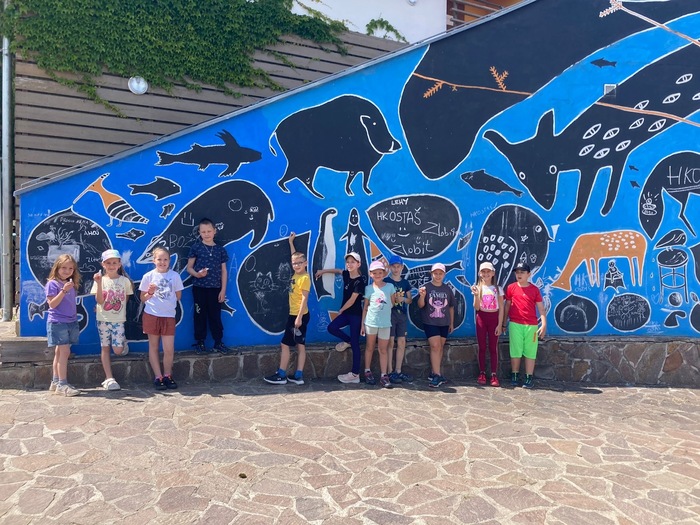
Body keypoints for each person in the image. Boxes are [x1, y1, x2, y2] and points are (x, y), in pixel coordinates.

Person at [264, 233, 310, 385]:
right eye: (294, 263)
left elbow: (304, 298)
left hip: (297, 316)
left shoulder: (304, 278)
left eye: (299, 263)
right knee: (300, 345)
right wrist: (291, 243)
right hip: (297, 315)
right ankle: (298, 376)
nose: (296, 265)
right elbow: (294, 256)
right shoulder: (297, 274)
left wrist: (299, 318)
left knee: (285, 344)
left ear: (305, 263)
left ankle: (281, 374)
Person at [315, 252, 367, 384]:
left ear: (358, 264)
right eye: (348, 262)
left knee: (356, 344)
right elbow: (338, 270)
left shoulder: (360, 281)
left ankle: (355, 374)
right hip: (346, 314)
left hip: (355, 315)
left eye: (353, 262)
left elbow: (352, 300)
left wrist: (341, 310)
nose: (349, 264)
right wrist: (322, 271)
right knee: (332, 328)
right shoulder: (346, 274)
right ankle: (348, 341)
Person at [140, 247, 184, 390]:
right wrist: (150, 292)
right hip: (152, 315)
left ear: (169, 261)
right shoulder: (148, 276)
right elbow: (143, 298)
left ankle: (167, 375)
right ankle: (158, 377)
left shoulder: (175, 276)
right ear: (154, 260)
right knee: (153, 347)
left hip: (168, 316)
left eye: (165, 259)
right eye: (159, 259)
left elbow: (178, 296)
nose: (162, 262)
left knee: (168, 349)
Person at [186, 218, 232, 354]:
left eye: (209, 231)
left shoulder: (220, 250)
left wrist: (223, 290)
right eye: (203, 232)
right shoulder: (196, 248)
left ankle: (218, 342)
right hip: (199, 288)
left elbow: (224, 271)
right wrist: (197, 274)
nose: (206, 234)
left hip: (215, 289)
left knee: (215, 316)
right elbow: (189, 268)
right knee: (199, 315)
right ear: (199, 233)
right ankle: (200, 342)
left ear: (214, 231)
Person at [91, 248, 134, 391]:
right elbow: (99, 300)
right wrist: (98, 284)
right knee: (105, 347)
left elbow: (125, 300)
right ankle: (109, 378)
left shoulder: (125, 281)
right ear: (103, 264)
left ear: (119, 264)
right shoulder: (100, 280)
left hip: (118, 320)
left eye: (114, 262)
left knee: (117, 350)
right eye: (108, 263)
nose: (111, 265)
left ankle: (122, 342)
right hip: (103, 319)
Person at [502, 262, 547, 389]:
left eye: (522, 272)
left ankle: (528, 377)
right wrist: (504, 323)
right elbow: (507, 306)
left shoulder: (534, 290)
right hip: (515, 324)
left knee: (530, 352)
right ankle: (515, 375)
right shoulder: (511, 288)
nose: (519, 274)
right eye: (517, 272)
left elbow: (541, 308)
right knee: (515, 351)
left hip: (531, 326)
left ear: (529, 274)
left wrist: (543, 324)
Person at [46, 254, 82, 396]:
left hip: (70, 321)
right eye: (64, 268)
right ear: (57, 268)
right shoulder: (52, 284)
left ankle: (55, 381)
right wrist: (64, 291)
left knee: (59, 352)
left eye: (70, 268)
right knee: (65, 352)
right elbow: (52, 304)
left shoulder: (70, 283)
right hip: (58, 322)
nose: (67, 271)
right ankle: (62, 384)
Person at [417, 262, 455, 388]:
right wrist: (422, 296)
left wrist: (451, 323)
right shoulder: (426, 287)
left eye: (440, 273)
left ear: (444, 275)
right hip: (430, 322)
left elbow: (451, 307)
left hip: (444, 323)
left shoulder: (447, 289)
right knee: (435, 346)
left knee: (440, 347)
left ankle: (434, 372)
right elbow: (420, 305)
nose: (438, 276)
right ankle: (437, 375)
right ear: (431, 274)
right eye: (435, 273)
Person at [361, 260, 396, 388]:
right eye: (374, 273)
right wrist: (362, 324)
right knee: (369, 347)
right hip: (371, 323)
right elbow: (366, 307)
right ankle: (367, 371)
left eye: (380, 273)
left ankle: (383, 375)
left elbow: (392, 303)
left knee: (383, 349)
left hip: (385, 323)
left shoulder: (390, 287)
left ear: (384, 273)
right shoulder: (369, 289)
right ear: (371, 274)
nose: (377, 275)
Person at [471, 261, 504, 387]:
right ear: (480, 273)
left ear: (493, 273)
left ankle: (494, 374)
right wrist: (476, 295)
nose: (486, 274)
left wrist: (500, 324)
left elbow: (501, 308)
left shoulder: (498, 289)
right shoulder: (478, 288)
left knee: (493, 347)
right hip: (481, 318)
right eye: (483, 272)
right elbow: (476, 307)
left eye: (488, 271)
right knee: (482, 347)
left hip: (494, 319)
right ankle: (482, 373)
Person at [384, 255, 413, 384]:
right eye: (393, 267)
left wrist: (403, 299)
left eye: (398, 267)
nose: (396, 269)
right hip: (389, 314)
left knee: (401, 342)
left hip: (401, 315)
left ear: (402, 267)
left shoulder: (405, 283)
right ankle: (390, 371)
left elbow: (410, 300)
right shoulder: (386, 281)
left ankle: (398, 370)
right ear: (390, 267)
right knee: (390, 342)